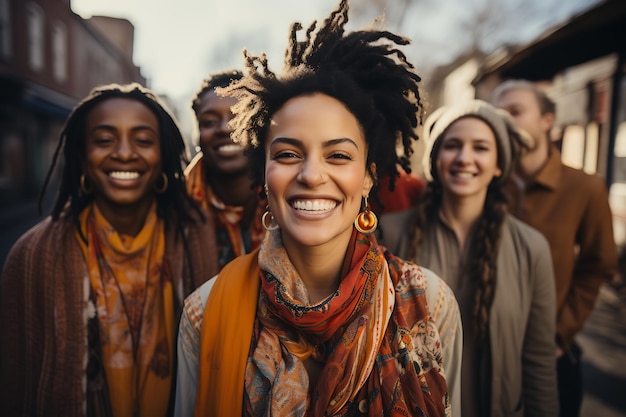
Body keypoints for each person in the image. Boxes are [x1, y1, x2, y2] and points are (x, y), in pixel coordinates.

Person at [174, 1, 462, 416]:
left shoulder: (431, 303)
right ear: (264, 176)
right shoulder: (204, 312)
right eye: (289, 154)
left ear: (367, 177)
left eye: (339, 156)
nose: (311, 174)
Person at [0, 83, 220, 417]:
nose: (124, 152)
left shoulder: (195, 234)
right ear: (81, 156)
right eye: (104, 140)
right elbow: (15, 384)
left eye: (143, 140)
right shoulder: (32, 255)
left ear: (163, 155)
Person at [402, 99, 559, 416]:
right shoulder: (392, 235)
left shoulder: (532, 248)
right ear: (435, 159)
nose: (465, 158)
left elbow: (539, 361)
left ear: (499, 164)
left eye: (481, 148)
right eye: (453, 145)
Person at [493, 80, 618, 417]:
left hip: (550, 352)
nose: (505, 121)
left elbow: (599, 264)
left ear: (547, 120)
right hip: (486, 349)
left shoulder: (585, 187)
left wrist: (561, 335)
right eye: (498, 114)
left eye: (515, 112)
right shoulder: (486, 182)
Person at [185, 70, 266, 268]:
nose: (225, 128)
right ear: (198, 135)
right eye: (209, 122)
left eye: (239, 115)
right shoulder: (173, 209)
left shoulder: (290, 199)